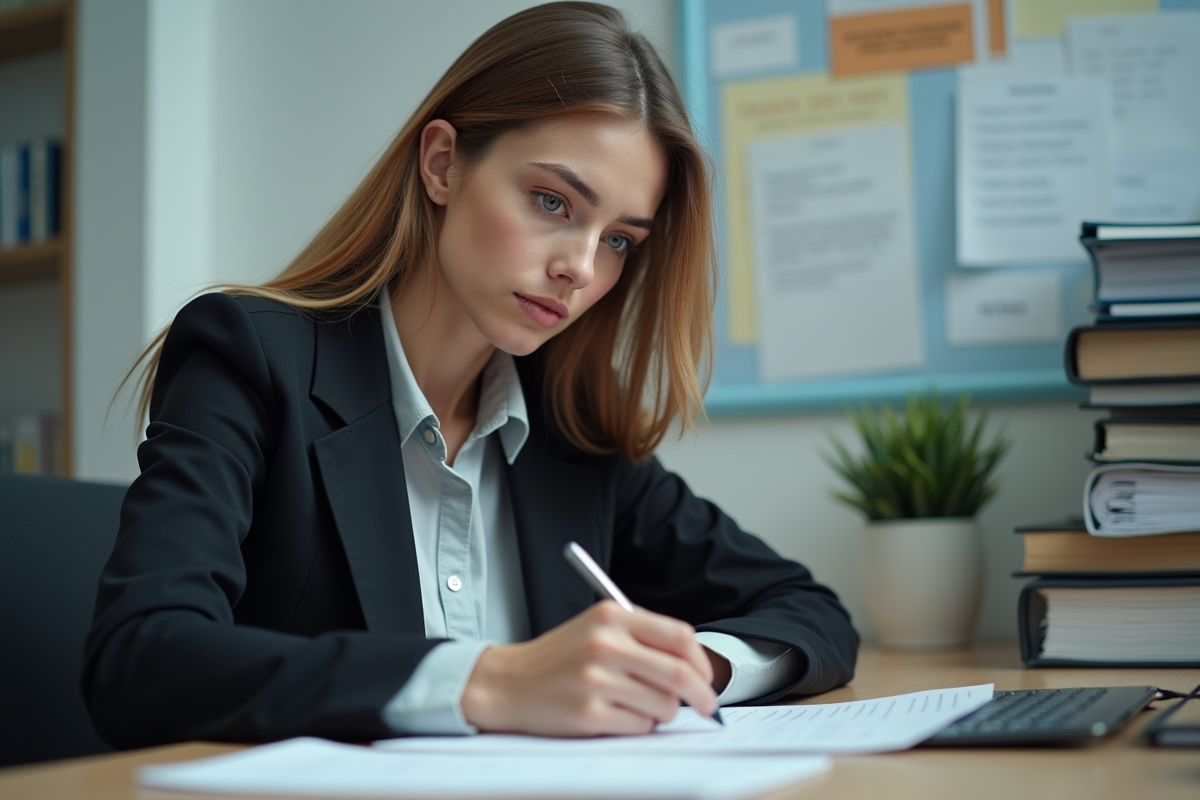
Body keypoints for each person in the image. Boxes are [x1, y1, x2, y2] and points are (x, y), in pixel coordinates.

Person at [83, 2, 858, 748]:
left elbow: (810, 612)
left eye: (620, 241)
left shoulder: (572, 433)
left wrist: (703, 667)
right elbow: (141, 661)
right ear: (443, 164)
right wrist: (490, 682)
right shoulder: (251, 359)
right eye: (552, 201)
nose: (580, 268)